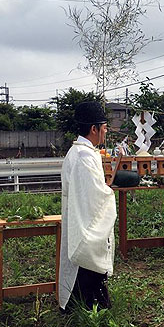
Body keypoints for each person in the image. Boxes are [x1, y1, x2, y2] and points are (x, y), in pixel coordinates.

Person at [58, 100, 120, 313]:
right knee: (88, 262)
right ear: (93, 129)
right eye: (103, 129)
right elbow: (94, 194)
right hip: (85, 221)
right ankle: (88, 309)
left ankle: (84, 305)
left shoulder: (78, 152)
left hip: (78, 216)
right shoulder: (84, 156)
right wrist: (109, 193)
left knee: (81, 267)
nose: (105, 133)